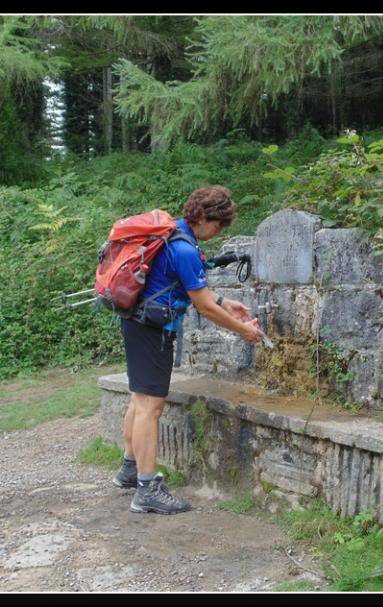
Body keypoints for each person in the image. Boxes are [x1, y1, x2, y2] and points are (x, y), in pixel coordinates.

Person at [112, 186, 264, 514]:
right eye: (220, 226)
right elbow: (205, 307)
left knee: (139, 401)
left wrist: (228, 303)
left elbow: (185, 287)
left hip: (137, 323)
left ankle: (130, 468)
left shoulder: (175, 232)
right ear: (207, 219)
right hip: (153, 331)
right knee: (151, 408)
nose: (219, 232)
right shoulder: (184, 248)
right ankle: (147, 489)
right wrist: (244, 331)